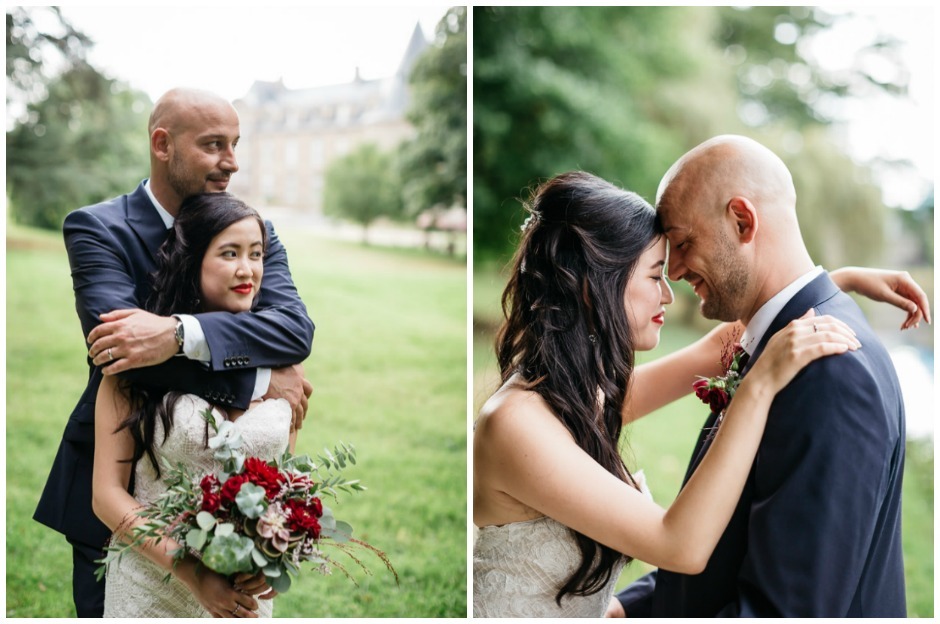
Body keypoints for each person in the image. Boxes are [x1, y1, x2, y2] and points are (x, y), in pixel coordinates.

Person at [609, 135, 924, 617]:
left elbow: (786, 608)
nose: (672, 270)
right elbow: (728, 551)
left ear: (742, 221)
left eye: (683, 242)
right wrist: (631, 608)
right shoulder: (779, 342)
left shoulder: (830, 375)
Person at [33, 88, 314, 617]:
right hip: (120, 488)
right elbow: (119, 352)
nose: (231, 162)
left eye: (235, 144)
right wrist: (259, 378)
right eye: (213, 145)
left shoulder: (257, 230)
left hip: (234, 508)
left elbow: (294, 332)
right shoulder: (98, 229)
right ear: (163, 144)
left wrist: (175, 334)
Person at [94, 193, 291, 617]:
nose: (248, 269)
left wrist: (273, 549)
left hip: (243, 594)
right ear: (193, 262)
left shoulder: (282, 369)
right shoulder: (137, 365)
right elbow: (107, 495)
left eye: (256, 254)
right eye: (230, 253)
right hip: (152, 584)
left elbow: (280, 482)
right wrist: (190, 571)